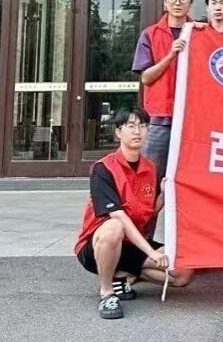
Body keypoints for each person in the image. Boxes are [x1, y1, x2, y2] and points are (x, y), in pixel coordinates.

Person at [74, 107, 192, 320]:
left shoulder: (150, 168)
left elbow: (147, 211)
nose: (137, 131)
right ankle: (107, 292)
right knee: (114, 227)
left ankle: (121, 273)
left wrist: (164, 194)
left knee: (183, 273)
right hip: (97, 245)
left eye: (142, 126)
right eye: (131, 126)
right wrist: (151, 253)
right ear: (118, 132)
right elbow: (118, 216)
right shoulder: (103, 169)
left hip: (130, 244)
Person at [132, 0, 195, 192]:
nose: (177, 2)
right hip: (159, 119)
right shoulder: (150, 34)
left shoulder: (200, 34)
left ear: (191, 2)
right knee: (151, 180)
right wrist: (170, 56)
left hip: (192, 119)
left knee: (190, 183)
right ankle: (144, 216)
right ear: (164, 1)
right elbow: (146, 77)